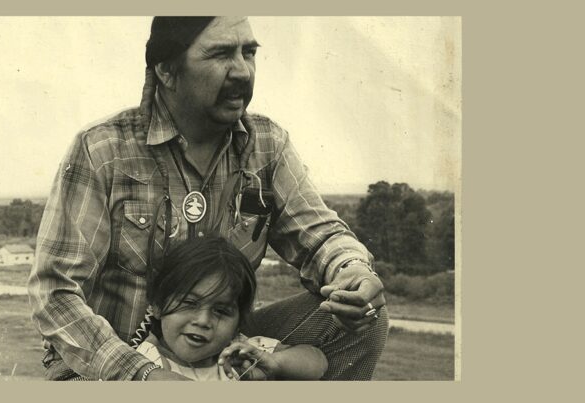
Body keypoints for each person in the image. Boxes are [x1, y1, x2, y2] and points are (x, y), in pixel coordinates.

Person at [28, 16, 388, 381]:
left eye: (248, 52)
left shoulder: (267, 144)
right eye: (220, 54)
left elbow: (321, 236)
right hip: (107, 366)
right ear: (167, 70)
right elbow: (54, 292)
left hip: (216, 351)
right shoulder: (103, 149)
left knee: (363, 320)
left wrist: (352, 272)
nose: (243, 72)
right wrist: (143, 375)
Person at [135, 236, 327, 381]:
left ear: (238, 324)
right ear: (158, 305)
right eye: (189, 303)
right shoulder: (145, 363)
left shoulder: (240, 355)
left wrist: (276, 363)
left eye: (221, 311)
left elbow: (318, 363)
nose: (203, 321)